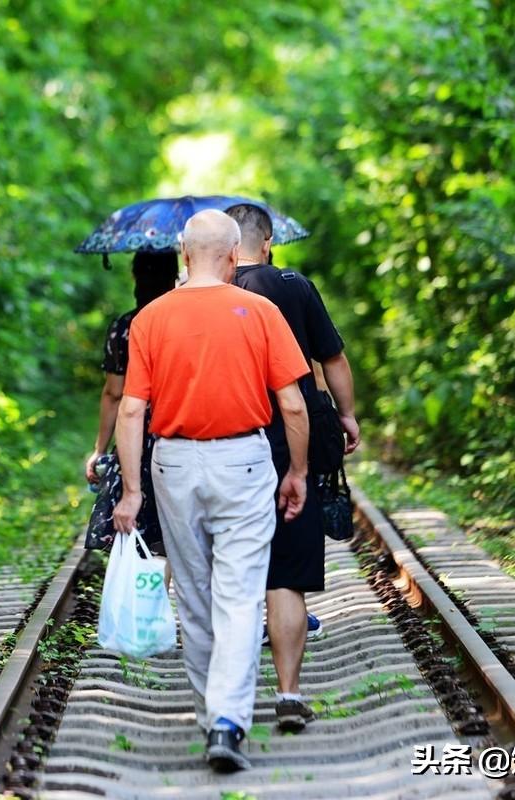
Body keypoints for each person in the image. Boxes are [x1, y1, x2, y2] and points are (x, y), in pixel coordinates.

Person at [112, 210, 310, 773]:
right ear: (231, 257)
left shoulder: (149, 319)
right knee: (240, 594)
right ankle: (227, 720)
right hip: (244, 463)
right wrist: (296, 471)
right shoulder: (262, 311)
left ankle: (211, 716)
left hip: (172, 466)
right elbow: (293, 404)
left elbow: (131, 408)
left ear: (181, 253)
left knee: (195, 595)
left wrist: (131, 491)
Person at [225, 203, 360, 734]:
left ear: (229, 248)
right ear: (269, 241)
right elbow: (333, 359)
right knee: (286, 577)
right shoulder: (295, 285)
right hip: (293, 440)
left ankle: (227, 702)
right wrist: (347, 414)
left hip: (230, 441)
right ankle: (288, 692)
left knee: (230, 576)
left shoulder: (212, 295)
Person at [84, 251, 179, 556]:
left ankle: (152, 599)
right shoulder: (186, 318)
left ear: (137, 277)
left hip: (137, 438)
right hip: (182, 431)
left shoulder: (124, 327)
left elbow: (114, 393)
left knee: (142, 538)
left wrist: (100, 448)